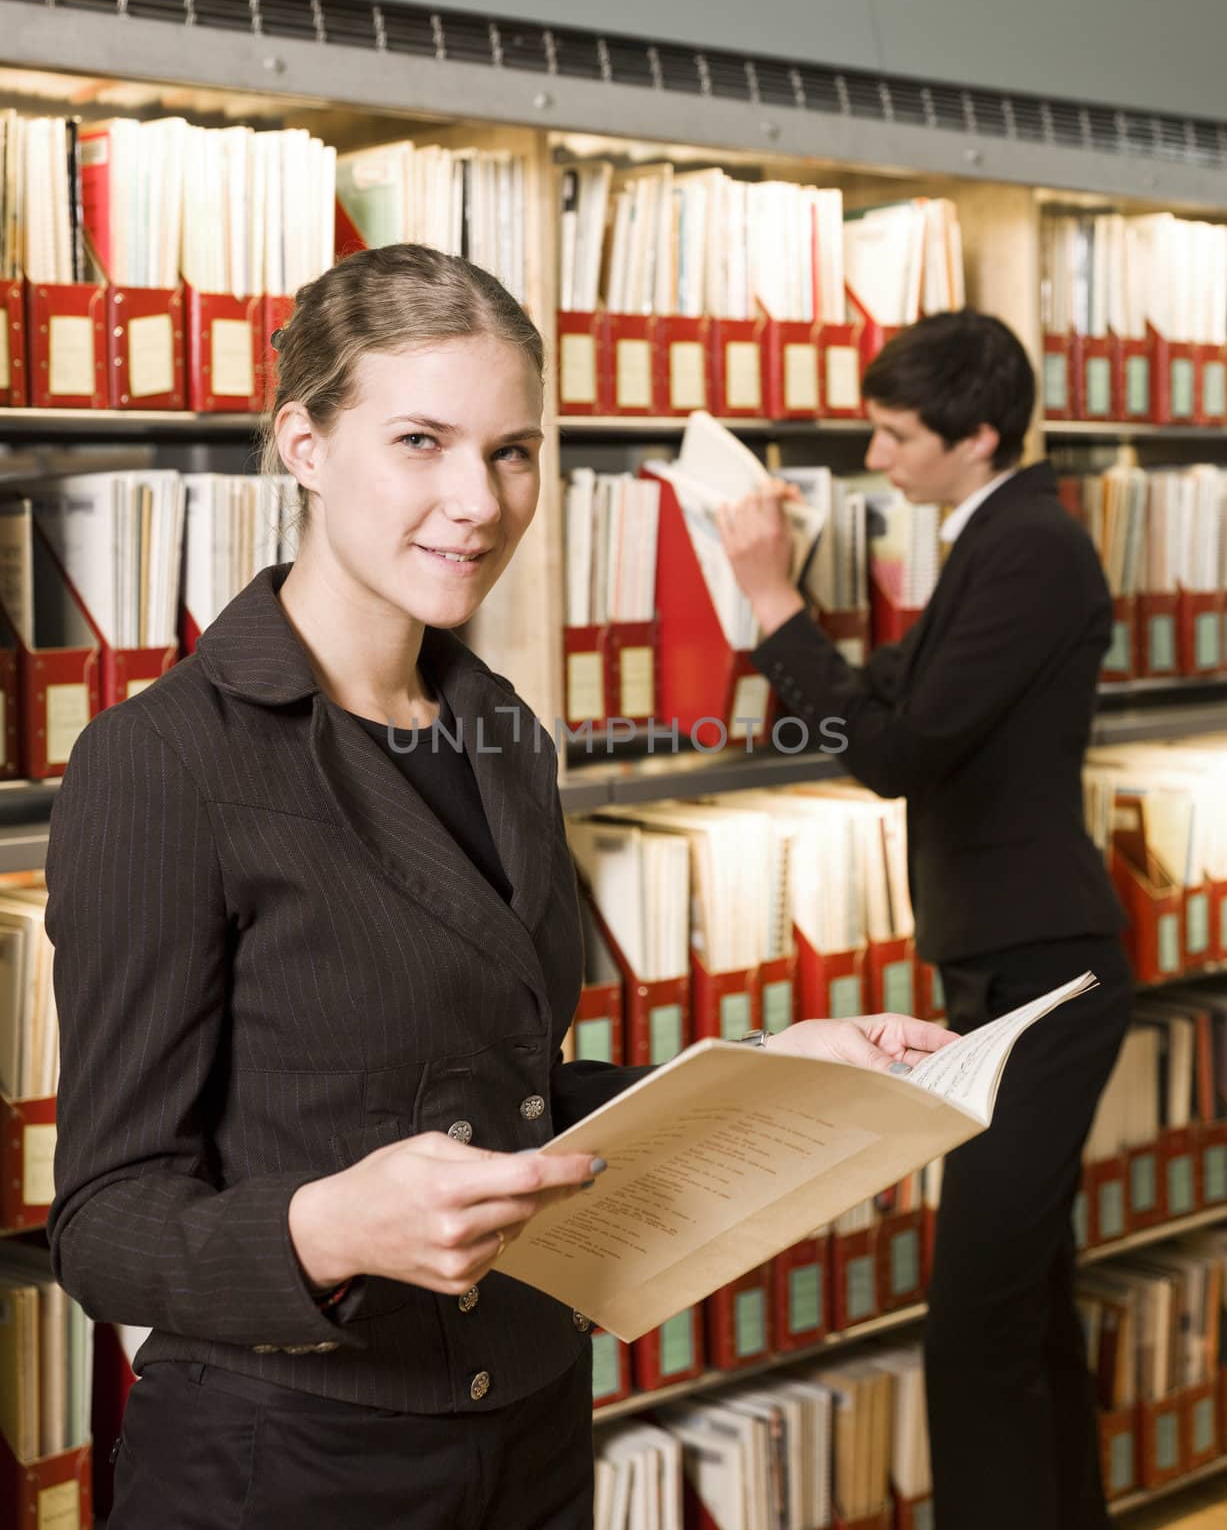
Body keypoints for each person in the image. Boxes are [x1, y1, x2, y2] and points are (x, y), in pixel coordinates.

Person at [45, 243, 953, 1530]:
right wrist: (328, 1228)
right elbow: (106, 1223)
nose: (479, 499)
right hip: (288, 1460)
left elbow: (511, 1093)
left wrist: (774, 1068)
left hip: (529, 1423)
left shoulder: (503, 733)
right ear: (302, 443)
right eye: (421, 440)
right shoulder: (163, 760)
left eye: (513, 450)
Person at [717, 308, 1132, 1530]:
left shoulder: (1033, 549)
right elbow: (902, 692)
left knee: (978, 1325)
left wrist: (769, 597)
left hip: (1045, 981)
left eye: (896, 435)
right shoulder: (992, 533)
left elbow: (900, 750)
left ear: (979, 434)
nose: (876, 456)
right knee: (1030, 1306)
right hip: (1003, 970)